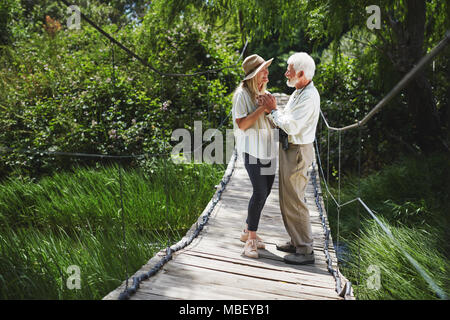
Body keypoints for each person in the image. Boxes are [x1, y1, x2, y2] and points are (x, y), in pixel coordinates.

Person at [259, 52, 320, 265]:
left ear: (301, 73)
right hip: (290, 149)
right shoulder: (298, 91)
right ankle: (296, 241)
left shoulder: (309, 96)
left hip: (298, 151)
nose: (285, 73)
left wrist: (273, 109)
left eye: (289, 71)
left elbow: (291, 125)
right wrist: (273, 113)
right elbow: (285, 119)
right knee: (287, 197)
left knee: (294, 199)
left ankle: (305, 250)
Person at [232, 54, 277, 259]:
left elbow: (270, 118)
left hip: (268, 149)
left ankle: (247, 230)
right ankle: (251, 239)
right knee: (259, 192)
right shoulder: (241, 95)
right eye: (264, 70)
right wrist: (262, 108)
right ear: (254, 75)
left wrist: (271, 109)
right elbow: (242, 124)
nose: (267, 73)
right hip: (252, 150)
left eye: (267, 69)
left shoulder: (263, 91)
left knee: (266, 191)